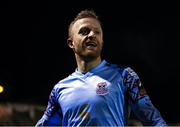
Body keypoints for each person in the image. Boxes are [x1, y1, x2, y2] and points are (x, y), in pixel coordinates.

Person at [36, 9, 167, 126]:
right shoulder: (59, 89)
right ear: (71, 43)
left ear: (102, 41)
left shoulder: (125, 76)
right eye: (84, 31)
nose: (92, 35)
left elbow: (153, 120)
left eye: (97, 32)